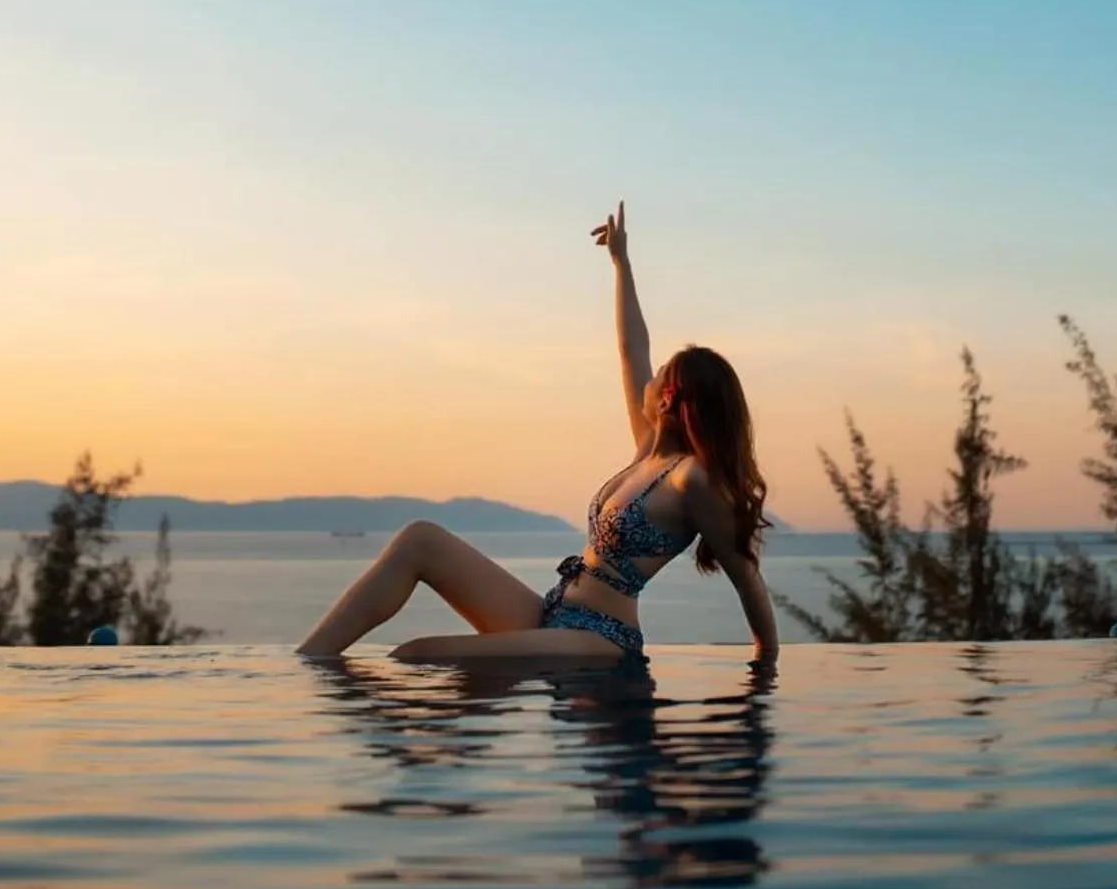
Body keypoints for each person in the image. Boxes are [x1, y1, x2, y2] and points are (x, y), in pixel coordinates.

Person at [297, 202, 779, 664]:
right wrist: (621, 265)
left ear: (671, 399)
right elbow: (631, 348)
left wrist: (766, 666)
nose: (646, 383)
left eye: (658, 379)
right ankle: (309, 662)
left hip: (598, 637)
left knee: (417, 653)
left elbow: (747, 578)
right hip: (552, 610)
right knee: (420, 539)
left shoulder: (689, 479)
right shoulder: (646, 454)